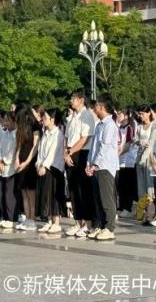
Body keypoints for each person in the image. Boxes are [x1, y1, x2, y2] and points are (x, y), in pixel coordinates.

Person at [64, 91, 96, 237]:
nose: (71, 101)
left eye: (74, 99)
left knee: (83, 190)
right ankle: (78, 223)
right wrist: (66, 152)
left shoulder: (87, 115)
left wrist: (70, 152)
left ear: (81, 100)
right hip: (70, 153)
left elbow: (85, 138)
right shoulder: (72, 117)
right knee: (73, 190)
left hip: (81, 153)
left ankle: (88, 224)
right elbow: (66, 137)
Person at [86, 98, 119, 241]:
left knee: (106, 199)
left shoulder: (110, 125)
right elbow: (93, 147)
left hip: (105, 166)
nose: (94, 109)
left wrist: (95, 164)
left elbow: (104, 147)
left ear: (102, 107)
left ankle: (109, 228)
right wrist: (89, 163)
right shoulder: (99, 125)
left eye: (96, 106)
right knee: (97, 199)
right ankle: (99, 225)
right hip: (96, 166)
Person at [35, 108, 66, 234]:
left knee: (54, 195)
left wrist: (44, 165)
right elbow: (40, 151)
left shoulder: (58, 134)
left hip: (54, 168)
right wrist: (38, 164)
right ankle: (49, 221)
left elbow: (53, 152)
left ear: (52, 120)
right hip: (43, 168)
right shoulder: (45, 133)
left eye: (45, 118)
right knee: (45, 195)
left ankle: (56, 223)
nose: (43, 120)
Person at [14, 106, 40, 230]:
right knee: (24, 191)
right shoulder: (21, 128)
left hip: (31, 162)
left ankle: (32, 218)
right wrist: (17, 158)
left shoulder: (35, 126)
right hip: (21, 161)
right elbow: (19, 144)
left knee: (31, 191)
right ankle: (27, 218)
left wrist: (27, 162)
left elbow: (35, 146)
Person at [0, 112, 19, 229]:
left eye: (8, 120)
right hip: (0, 168)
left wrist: (4, 161)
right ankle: (4, 217)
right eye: (5, 120)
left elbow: (14, 151)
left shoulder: (17, 135)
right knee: (1, 194)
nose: (6, 123)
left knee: (10, 195)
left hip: (10, 168)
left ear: (14, 121)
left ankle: (12, 219)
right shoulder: (4, 134)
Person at [115, 108, 138, 217]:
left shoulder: (129, 128)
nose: (118, 116)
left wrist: (117, 154)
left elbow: (128, 145)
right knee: (121, 185)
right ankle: (121, 206)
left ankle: (127, 208)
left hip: (128, 161)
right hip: (120, 161)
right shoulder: (119, 128)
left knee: (127, 185)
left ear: (126, 116)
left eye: (120, 114)